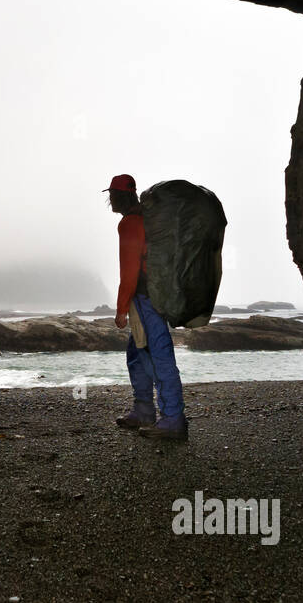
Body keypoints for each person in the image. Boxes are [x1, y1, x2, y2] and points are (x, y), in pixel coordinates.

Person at [104, 174, 188, 440]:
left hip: (145, 299)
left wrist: (120, 308)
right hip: (154, 295)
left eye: (112, 195)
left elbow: (129, 271)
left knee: (158, 355)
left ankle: (173, 420)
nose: (110, 200)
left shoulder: (130, 224)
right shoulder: (147, 220)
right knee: (136, 354)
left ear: (120, 196)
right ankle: (143, 411)